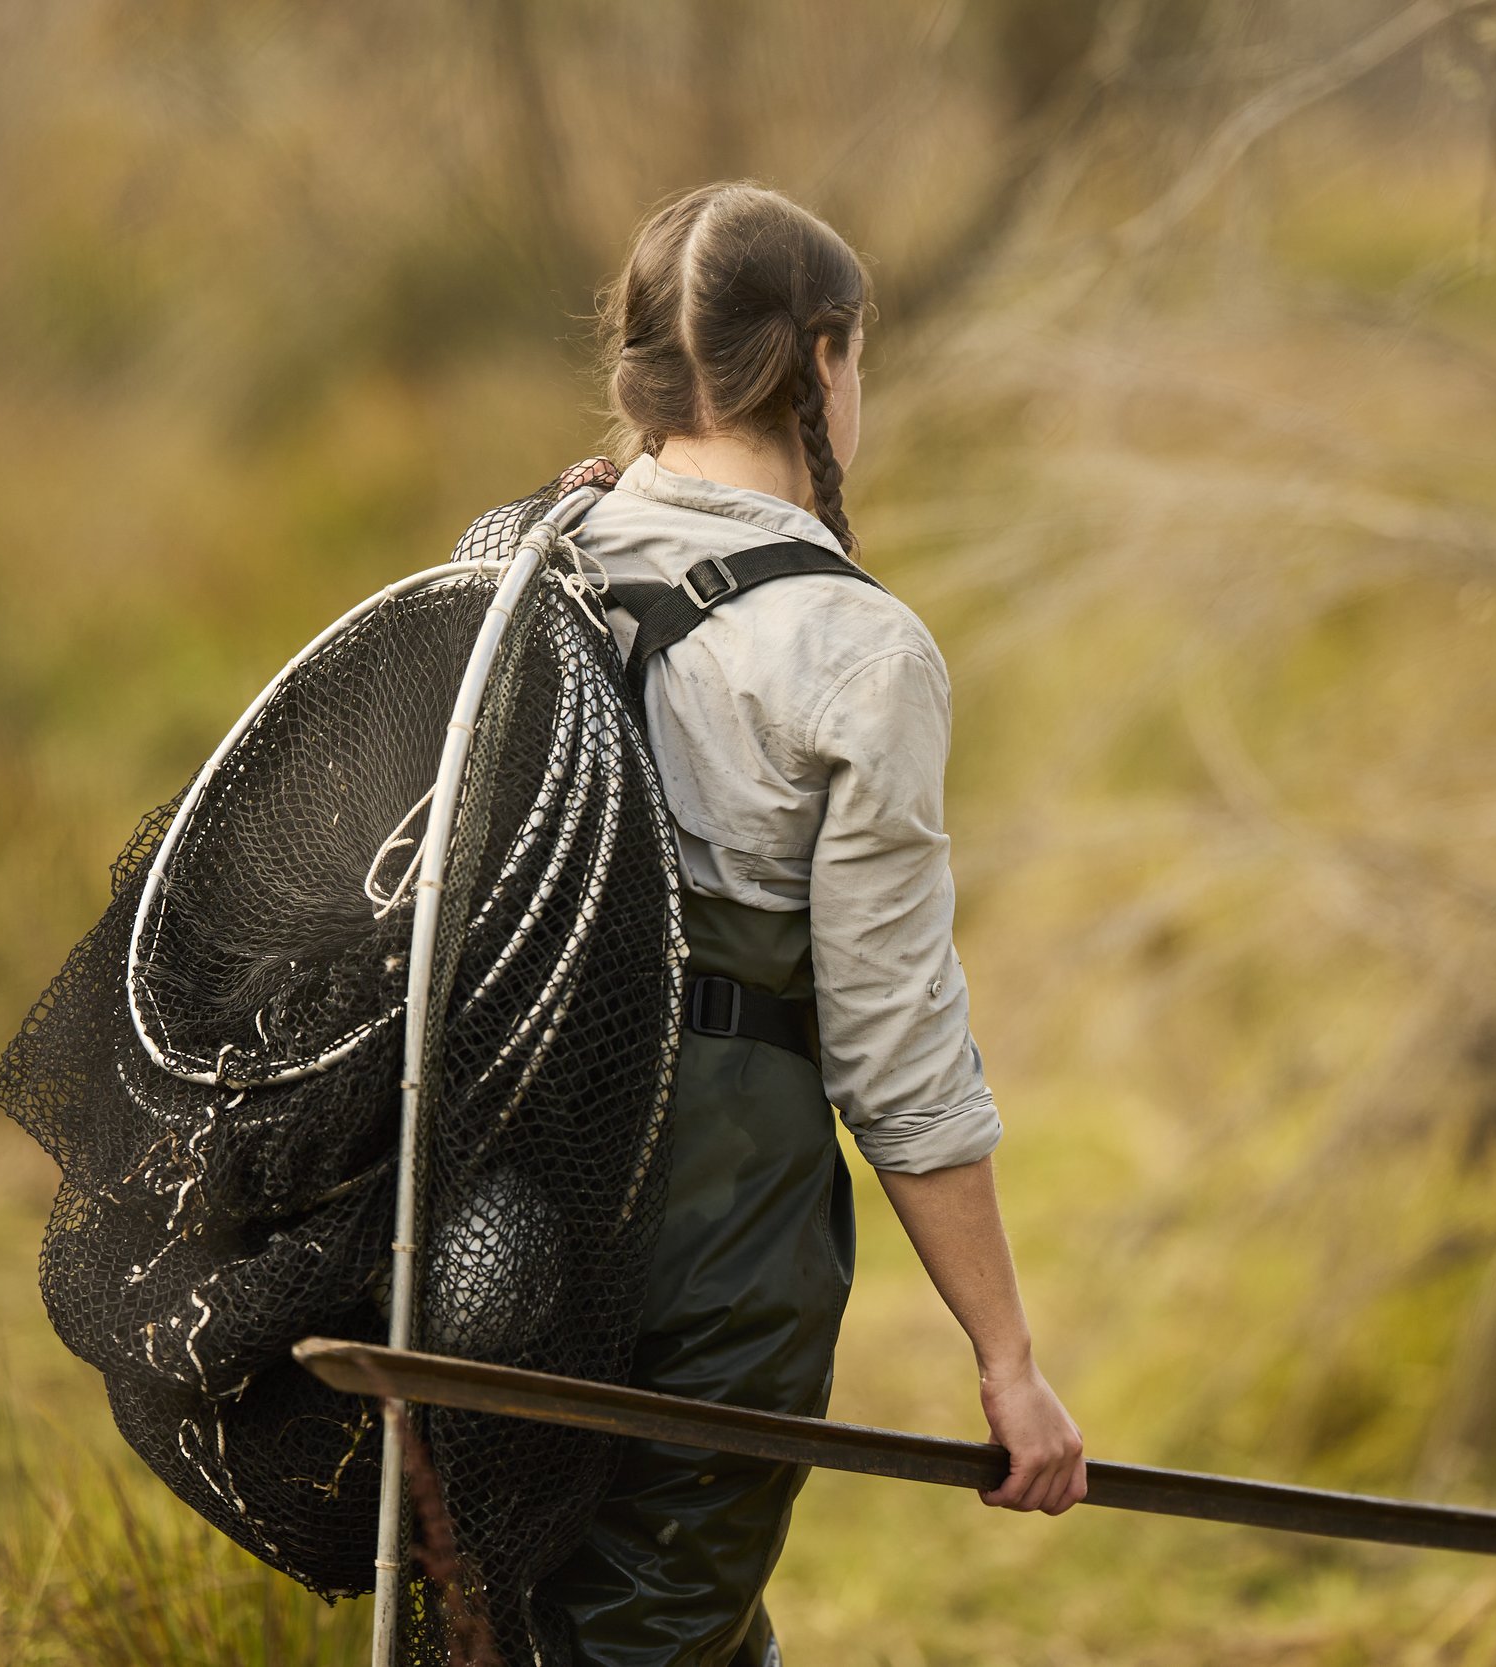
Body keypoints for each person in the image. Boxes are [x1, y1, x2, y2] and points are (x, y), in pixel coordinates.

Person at [545, 181, 1086, 1666]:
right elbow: (895, 1045)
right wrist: (1008, 1362)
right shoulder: (854, 650)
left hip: (486, 1201)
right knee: (658, 1629)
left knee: (528, 1608)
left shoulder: (534, 553)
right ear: (823, 359)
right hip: (710, 1249)